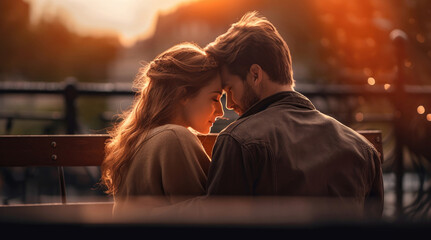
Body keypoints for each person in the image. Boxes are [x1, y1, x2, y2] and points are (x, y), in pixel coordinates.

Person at [204, 11, 384, 217]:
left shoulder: (237, 141)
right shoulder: (363, 150)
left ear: (255, 75)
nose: (230, 104)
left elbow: (219, 228)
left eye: (229, 89)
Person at [100, 42, 224, 212]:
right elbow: (207, 219)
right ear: (184, 95)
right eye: (215, 98)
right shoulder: (174, 138)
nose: (221, 112)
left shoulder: (136, 138)